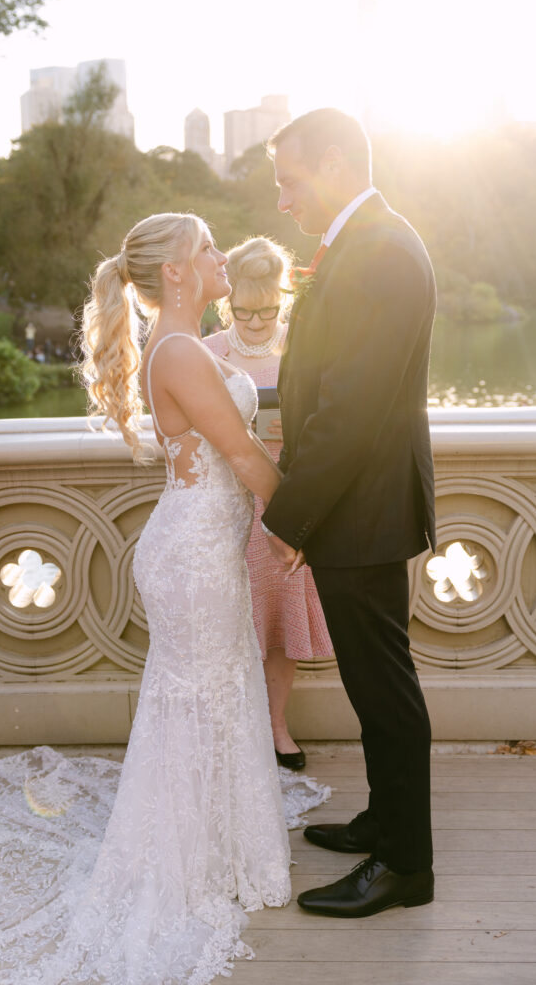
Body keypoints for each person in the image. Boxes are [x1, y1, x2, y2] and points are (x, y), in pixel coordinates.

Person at [0, 213, 328, 985]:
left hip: (207, 547)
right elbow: (243, 453)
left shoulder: (184, 344)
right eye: (206, 248)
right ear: (176, 272)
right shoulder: (179, 351)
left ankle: (214, 850)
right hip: (192, 555)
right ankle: (178, 864)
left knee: (219, 693)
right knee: (199, 698)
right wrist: (304, 528)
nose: (220, 256)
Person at [262, 109, 437, 918]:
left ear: (334, 163)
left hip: (362, 509)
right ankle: (383, 820)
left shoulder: (382, 250)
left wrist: (288, 517)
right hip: (355, 504)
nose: (282, 200)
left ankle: (404, 865)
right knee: (372, 686)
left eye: (289, 181)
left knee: (383, 689)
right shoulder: (364, 242)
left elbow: (352, 409)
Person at [204, 237, 332, 769]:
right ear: (227, 302)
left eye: (268, 310)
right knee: (229, 620)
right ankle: (232, 728)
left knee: (277, 621)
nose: (256, 322)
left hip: (285, 502)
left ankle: (277, 726)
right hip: (228, 500)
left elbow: (330, 418)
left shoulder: (303, 344)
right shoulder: (208, 352)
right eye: (244, 311)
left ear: (283, 298)